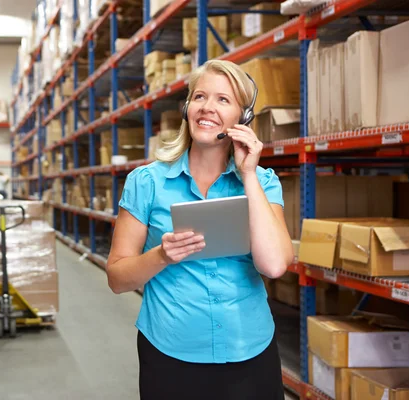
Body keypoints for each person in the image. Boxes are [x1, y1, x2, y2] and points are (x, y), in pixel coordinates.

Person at [106, 59, 294, 400]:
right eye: (199, 97)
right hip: (170, 353)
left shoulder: (263, 182)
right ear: (187, 107)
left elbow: (274, 265)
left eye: (223, 100)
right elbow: (118, 279)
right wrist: (161, 255)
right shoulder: (146, 183)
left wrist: (249, 174)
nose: (207, 107)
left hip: (249, 349)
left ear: (243, 118)